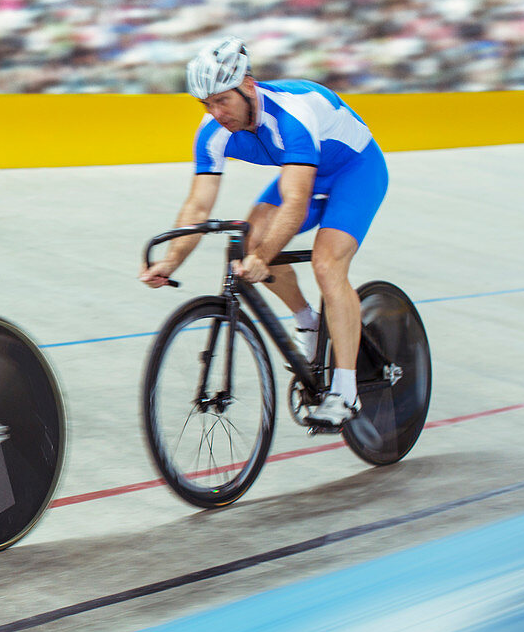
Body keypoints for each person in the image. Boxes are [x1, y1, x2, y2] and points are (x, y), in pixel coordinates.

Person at [139, 36, 389, 426]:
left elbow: (296, 201)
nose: (216, 112)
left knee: (326, 264)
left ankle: (346, 391)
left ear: (249, 86)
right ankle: (308, 322)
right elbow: (199, 205)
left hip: (354, 172)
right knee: (248, 240)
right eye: (207, 104)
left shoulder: (293, 115)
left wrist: (262, 259)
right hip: (301, 173)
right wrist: (171, 260)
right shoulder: (212, 132)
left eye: (223, 100)